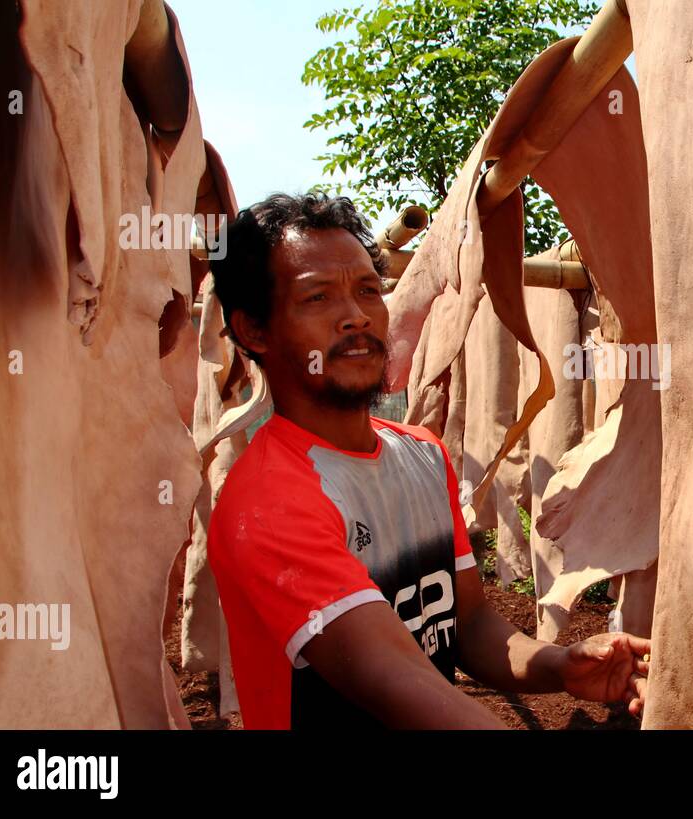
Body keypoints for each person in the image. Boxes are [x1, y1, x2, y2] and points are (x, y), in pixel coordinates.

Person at [206, 192, 649, 729]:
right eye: (317, 297)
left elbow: (468, 622)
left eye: (368, 290)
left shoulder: (422, 454)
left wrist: (559, 665)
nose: (355, 317)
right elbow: (396, 680)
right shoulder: (272, 500)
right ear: (254, 330)